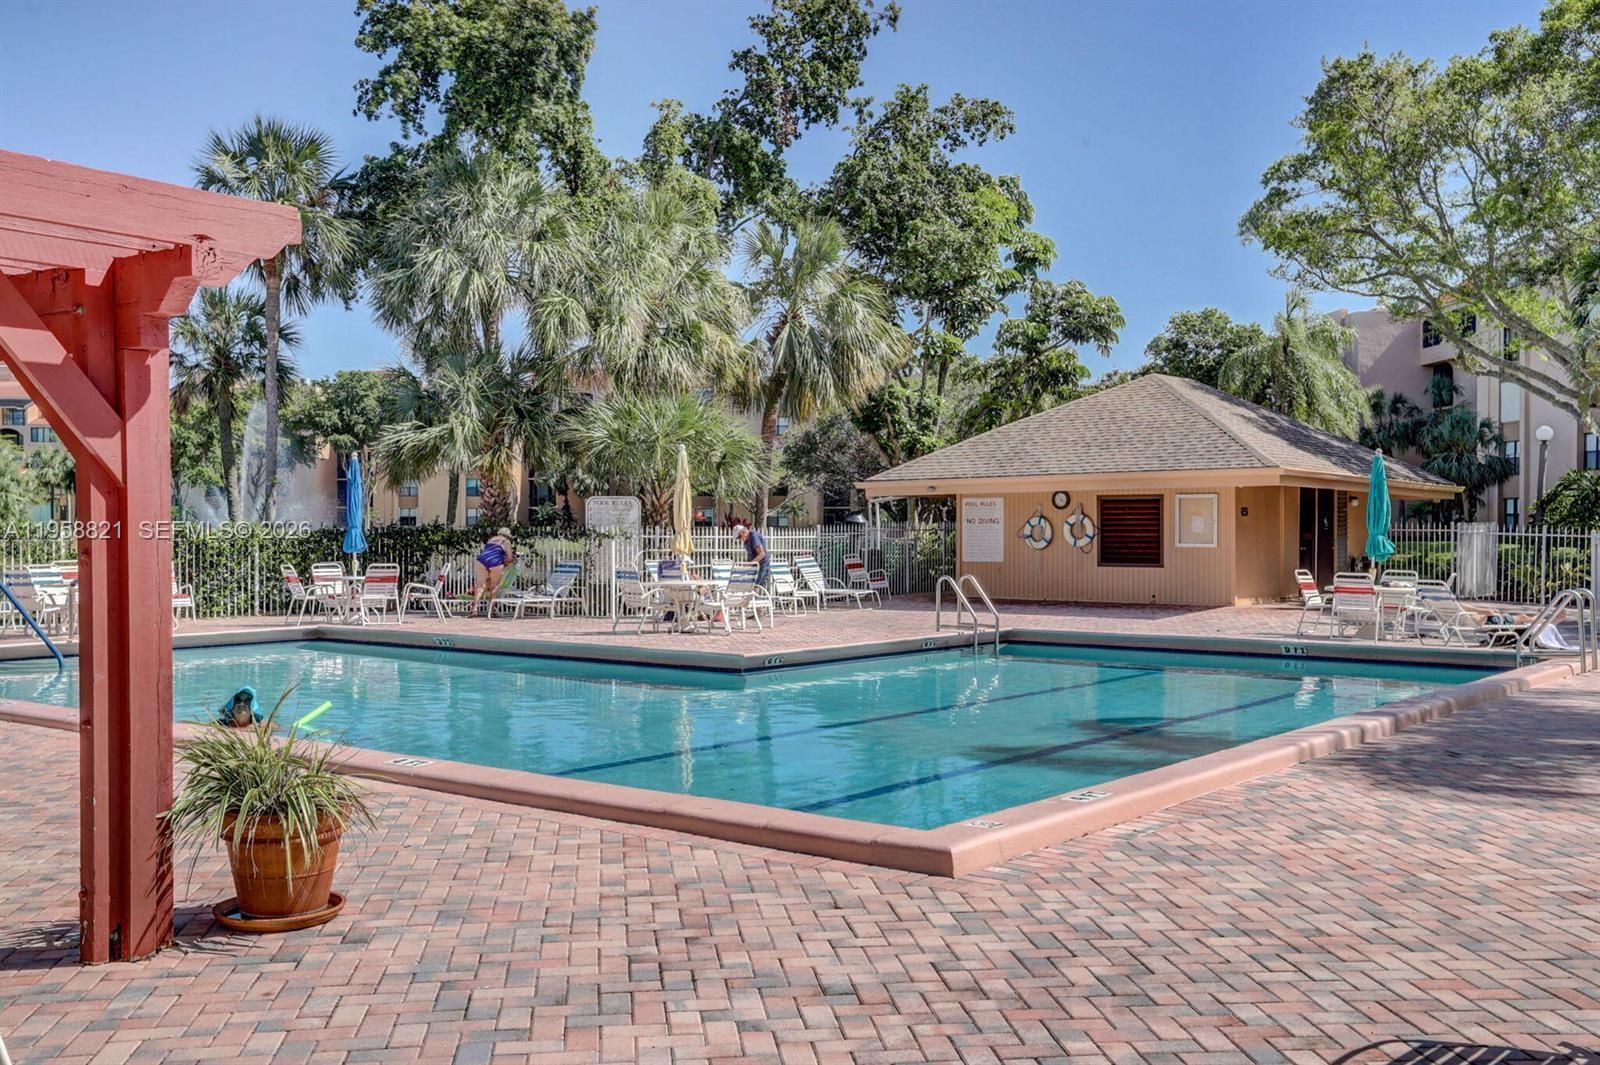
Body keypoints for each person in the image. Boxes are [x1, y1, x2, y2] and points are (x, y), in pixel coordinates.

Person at [471, 527, 516, 615]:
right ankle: (491, 610)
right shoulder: (506, 541)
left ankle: (474, 609)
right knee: (494, 587)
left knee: (480, 586)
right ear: (508, 536)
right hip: (495, 562)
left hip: (481, 560)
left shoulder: (491, 540)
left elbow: (488, 552)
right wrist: (509, 561)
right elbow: (510, 558)